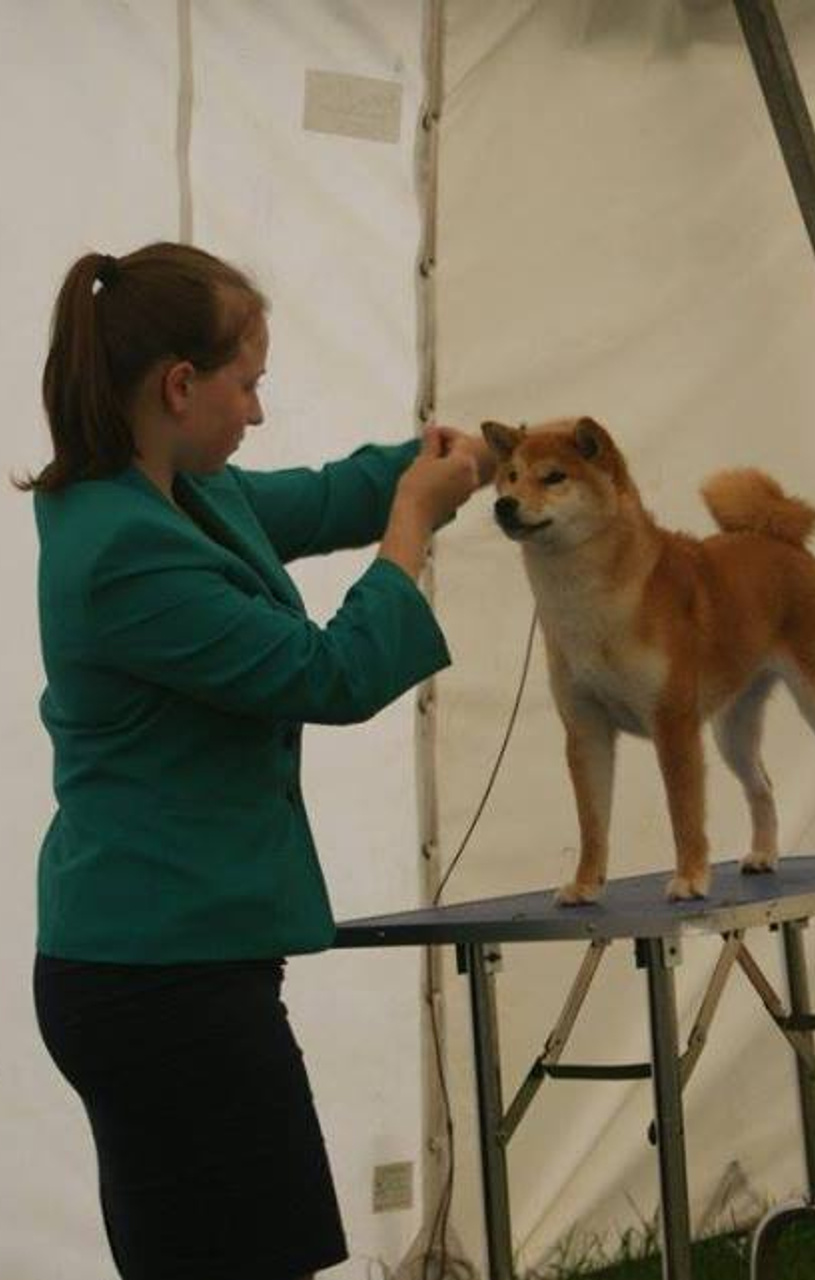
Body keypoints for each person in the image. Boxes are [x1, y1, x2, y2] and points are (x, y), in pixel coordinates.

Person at [23, 241, 494, 1280]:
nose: (258, 412)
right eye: (249, 384)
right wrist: (413, 523)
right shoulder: (124, 552)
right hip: (158, 984)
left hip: (170, 968)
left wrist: (465, 453)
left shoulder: (180, 494)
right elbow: (326, 675)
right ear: (179, 383)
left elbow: (324, 497)